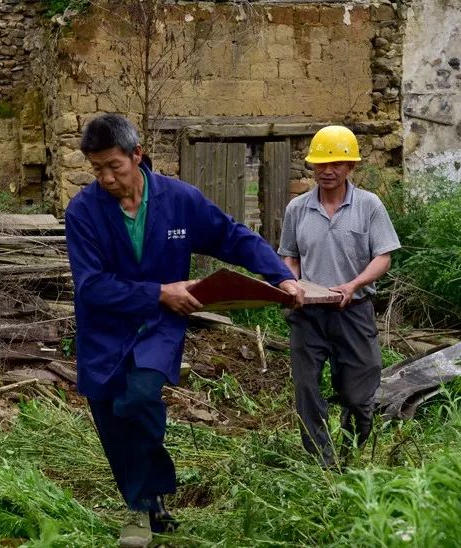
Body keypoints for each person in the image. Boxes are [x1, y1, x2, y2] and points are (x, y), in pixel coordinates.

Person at [65, 113, 304, 547]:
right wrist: (160, 290)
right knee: (111, 419)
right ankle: (151, 498)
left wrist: (279, 276)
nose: (105, 178)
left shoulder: (178, 200)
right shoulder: (83, 211)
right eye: (96, 169)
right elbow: (92, 285)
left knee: (139, 398)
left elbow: (232, 236)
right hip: (105, 330)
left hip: (157, 328)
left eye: (113, 166)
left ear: (137, 155)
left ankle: (140, 508)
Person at [278, 125, 401, 468]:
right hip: (308, 315)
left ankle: (351, 453)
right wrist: (293, 283)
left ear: (350, 167)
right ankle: (323, 463)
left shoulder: (369, 206)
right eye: (320, 165)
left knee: (360, 395)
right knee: (307, 389)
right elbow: (289, 255)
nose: (327, 171)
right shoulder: (297, 209)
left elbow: (384, 256)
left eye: (335, 164)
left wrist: (353, 285)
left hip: (354, 311)